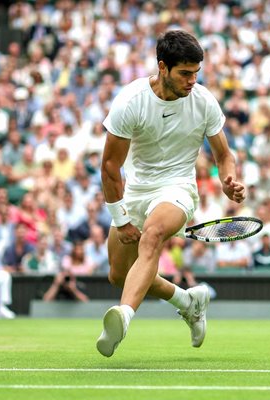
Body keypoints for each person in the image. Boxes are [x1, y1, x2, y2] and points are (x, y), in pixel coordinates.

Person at [96, 30, 245, 357]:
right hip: (136, 190)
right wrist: (120, 220)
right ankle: (188, 301)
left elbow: (224, 155)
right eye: (185, 73)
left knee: (152, 236)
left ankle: (124, 316)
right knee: (119, 274)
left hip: (178, 187)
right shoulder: (131, 101)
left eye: (196, 73)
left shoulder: (203, 100)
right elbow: (110, 166)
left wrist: (228, 179)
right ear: (163, 68)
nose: (193, 80)